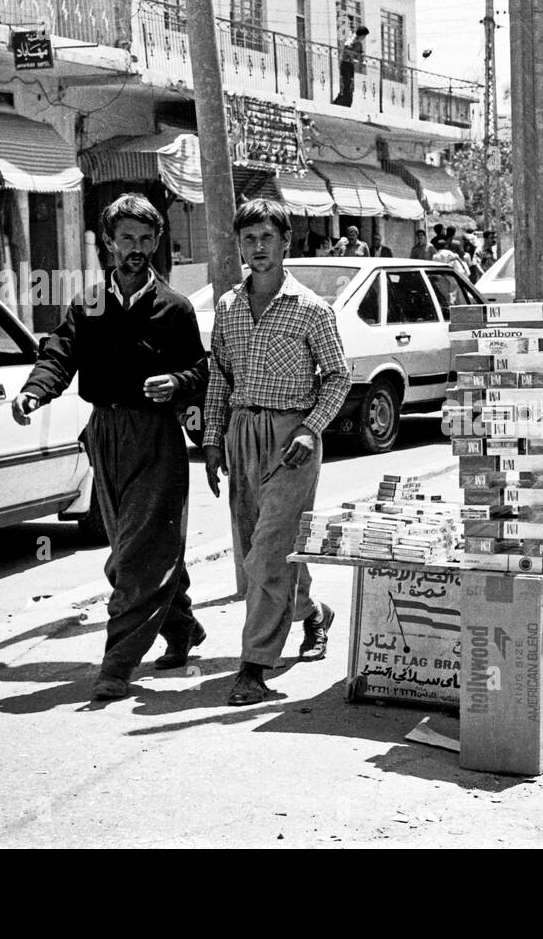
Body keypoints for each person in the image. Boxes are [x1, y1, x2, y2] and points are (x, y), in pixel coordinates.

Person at [12, 193, 208, 701]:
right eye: (127, 240)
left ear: (157, 243)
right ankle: (181, 627)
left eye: (146, 240)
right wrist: (35, 391)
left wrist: (177, 383)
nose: (136, 249)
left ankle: (117, 665)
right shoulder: (88, 304)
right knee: (132, 548)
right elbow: (59, 353)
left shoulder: (175, 307)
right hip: (104, 436)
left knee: (140, 552)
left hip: (156, 437)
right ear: (109, 245)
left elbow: (201, 370)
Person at [203, 199, 351, 706]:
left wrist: (311, 430)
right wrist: (212, 440)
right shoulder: (227, 307)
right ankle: (312, 613)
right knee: (260, 551)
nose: (258, 249)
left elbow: (337, 376)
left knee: (267, 552)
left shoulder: (312, 308)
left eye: (267, 238)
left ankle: (253, 666)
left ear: (286, 242)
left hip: (293, 439)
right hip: (243, 432)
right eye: (249, 239)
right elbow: (218, 379)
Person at [333, 24, 369, 107]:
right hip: (345, 64)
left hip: (351, 65)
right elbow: (347, 50)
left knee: (350, 85)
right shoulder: (350, 40)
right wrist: (353, 58)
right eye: (364, 36)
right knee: (345, 84)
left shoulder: (359, 44)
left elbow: (361, 53)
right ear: (361, 35)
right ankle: (339, 102)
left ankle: (347, 103)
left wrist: (363, 61)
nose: (364, 38)